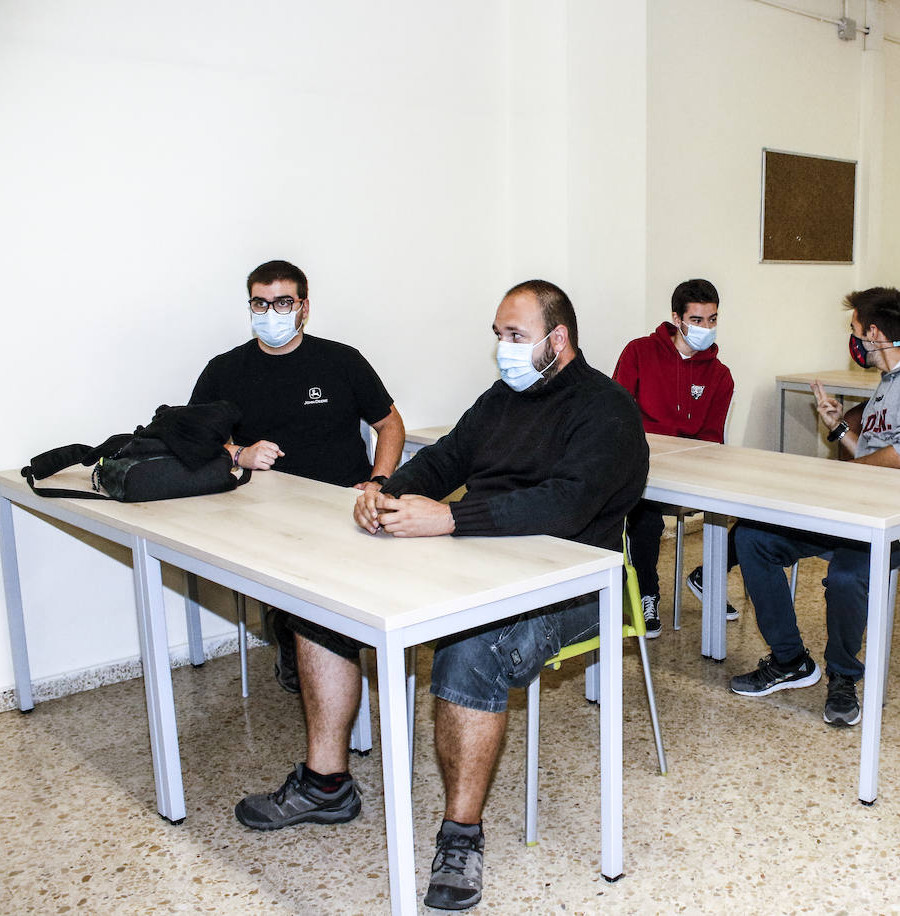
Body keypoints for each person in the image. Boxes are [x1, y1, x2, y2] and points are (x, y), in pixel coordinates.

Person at [338, 279, 645, 911]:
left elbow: (565, 505)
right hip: (486, 566)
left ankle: (461, 834)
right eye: (499, 336)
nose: (503, 350)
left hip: (576, 586)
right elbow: (446, 459)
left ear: (557, 340)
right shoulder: (501, 399)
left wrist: (448, 520)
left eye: (516, 337)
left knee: (468, 648)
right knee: (353, 588)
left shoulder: (606, 410)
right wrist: (388, 490)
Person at [729, 287, 900, 728]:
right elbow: (872, 453)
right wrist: (838, 430)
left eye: (855, 330)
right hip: (855, 508)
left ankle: (843, 676)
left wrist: (850, 476)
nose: (853, 340)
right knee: (752, 537)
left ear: (874, 333)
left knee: (848, 576)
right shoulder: (888, 381)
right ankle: (790, 659)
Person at [191, 259, 404, 694]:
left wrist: (379, 480)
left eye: (283, 302)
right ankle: (298, 637)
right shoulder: (225, 370)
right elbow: (191, 438)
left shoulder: (341, 361)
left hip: (344, 505)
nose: (271, 313)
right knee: (291, 576)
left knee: (358, 577)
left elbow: (390, 425)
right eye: (261, 303)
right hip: (264, 515)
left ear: (304, 308)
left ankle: (323, 643)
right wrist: (239, 453)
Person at [613, 278, 734, 636]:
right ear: (676, 318)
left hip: (689, 475)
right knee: (646, 517)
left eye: (712, 319)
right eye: (697, 320)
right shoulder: (638, 352)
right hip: (640, 471)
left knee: (738, 509)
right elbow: (618, 416)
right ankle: (647, 595)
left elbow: (712, 439)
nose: (705, 328)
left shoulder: (720, 376)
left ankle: (709, 580)